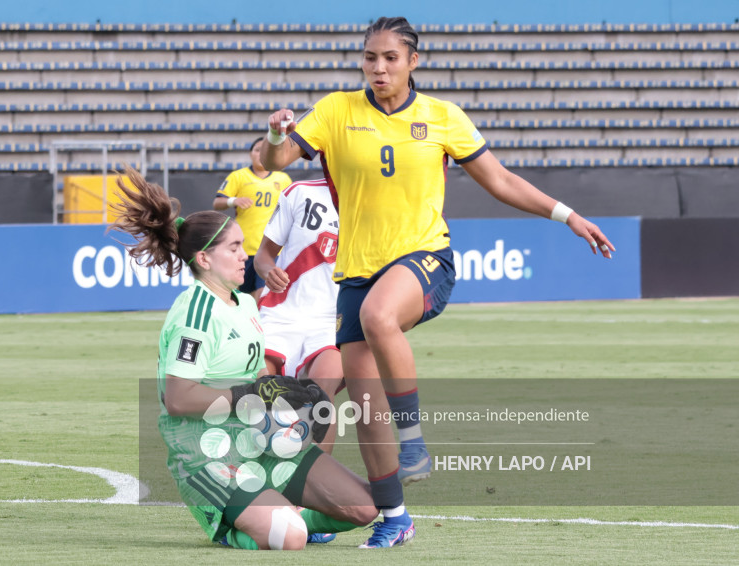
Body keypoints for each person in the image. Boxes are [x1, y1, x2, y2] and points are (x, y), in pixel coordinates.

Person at [260, 16, 615, 548]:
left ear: (413, 62)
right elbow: (272, 161)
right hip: (355, 273)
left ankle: (414, 442)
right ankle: (396, 518)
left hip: (425, 259)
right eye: (370, 57)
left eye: (390, 58)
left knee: (382, 318)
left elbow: (500, 181)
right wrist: (274, 134)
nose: (378, 67)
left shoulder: (442, 118)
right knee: (364, 405)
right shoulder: (336, 110)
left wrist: (568, 216)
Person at [109, 167, 377, 551]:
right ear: (203, 258)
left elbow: (260, 389)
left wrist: (289, 403)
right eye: (233, 248)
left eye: (242, 245)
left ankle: (282, 512)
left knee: (365, 507)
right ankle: (234, 528)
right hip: (207, 454)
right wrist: (251, 391)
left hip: (257, 441)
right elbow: (179, 399)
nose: (244, 255)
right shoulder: (195, 314)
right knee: (291, 537)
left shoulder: (248, 303)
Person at [253, 177, 342, 453]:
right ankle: (261, 478)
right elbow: (263, 256)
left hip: (332, 321)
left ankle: (314, 487)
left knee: (322, 398)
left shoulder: (377, 199)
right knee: (259, 396)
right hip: (281, 313)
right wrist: (269, 272)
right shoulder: (299, 192)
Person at [213, 137, 292, 301]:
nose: (260, 153)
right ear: (250, 154)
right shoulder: (238, 176)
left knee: (262, 294)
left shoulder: (283, 179)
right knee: (239, 297)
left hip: (271, 249)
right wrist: (233, 200)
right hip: (244, 248)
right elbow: (217, 202)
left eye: (265, 149)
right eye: (257, 149)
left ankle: (260, 326)